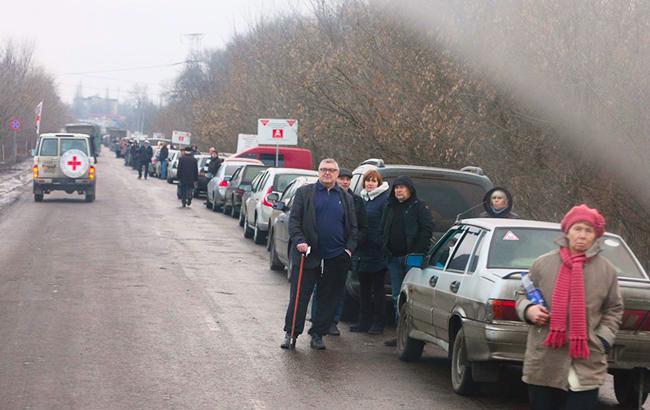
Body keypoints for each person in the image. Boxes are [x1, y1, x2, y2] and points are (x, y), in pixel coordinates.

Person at [516, 204, 622, 409]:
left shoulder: (607, 271)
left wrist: (602, 340)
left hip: (587, 359)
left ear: (596, 236)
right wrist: (528, 310)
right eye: (577, 229)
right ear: (567, 231)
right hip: (545, 358)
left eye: (588, 230)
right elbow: (522, 294)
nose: (582, 235)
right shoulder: (542, 263)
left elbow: (614, 309)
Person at [280, 159, 358, 350]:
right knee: (299, 297)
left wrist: (348, 249)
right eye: (324, 170)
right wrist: (299, 241)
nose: (327, 173)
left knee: (328, 298)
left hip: (335, 257)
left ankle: (318, 333)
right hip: (307, 255)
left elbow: (353, 227)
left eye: (331, 170)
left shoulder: (345, 197)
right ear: (318, 171)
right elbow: (294, 221)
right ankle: (291, 333)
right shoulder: (305, 193)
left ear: (337, 174)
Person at [310, 168, 368, 336]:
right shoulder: (326, 196)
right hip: (324, 251)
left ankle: (333, 321)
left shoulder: (355, 200)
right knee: (320, 287)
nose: (345, 181)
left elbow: (361, 227)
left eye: (347, 179)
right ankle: (316, 320)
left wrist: (350, 247)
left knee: (339, 288)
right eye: (342, 178)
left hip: (344, 253)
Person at [381, 176, 433, 346]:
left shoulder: (419, 207)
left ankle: (413, 338)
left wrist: (417, 252)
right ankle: (400, 334)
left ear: (410, 189)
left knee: (412, 299)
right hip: (393, 259)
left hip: (412, 260)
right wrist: (384, 247)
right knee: (397, 297)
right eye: (396, 188)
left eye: (402, 187)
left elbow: (426, 230)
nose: (398, 190)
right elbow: (382, 228)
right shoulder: (389, 206)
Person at [350, 169, 390, 335]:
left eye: (374, 181)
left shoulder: (384, 200)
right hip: (362, 252)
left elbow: (385, 225)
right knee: (364, 289)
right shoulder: (362, 199)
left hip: (378, 252)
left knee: (378, 290)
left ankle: (378, 323)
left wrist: (380, 243)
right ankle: (363, 322)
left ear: (379, 183)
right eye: (368, 180)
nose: (370, 183)